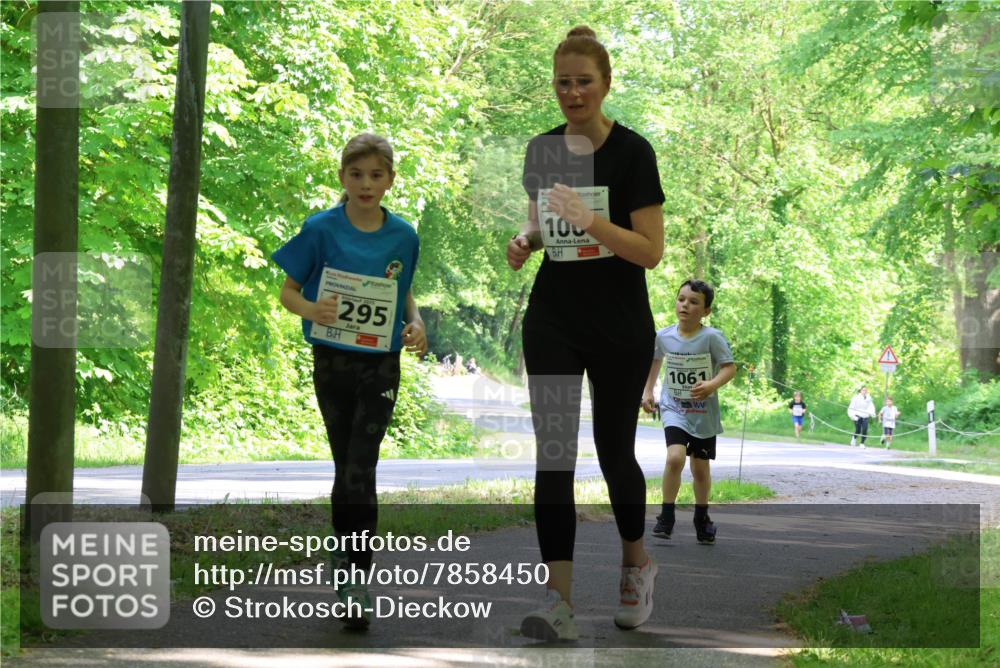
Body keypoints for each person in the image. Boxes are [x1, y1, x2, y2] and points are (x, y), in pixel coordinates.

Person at [506, 25, 665, 640]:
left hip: (620, 325)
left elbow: (649, 252)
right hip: (554, 317)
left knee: (612, 453)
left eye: (583, 82)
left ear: (605, 85)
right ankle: (559, 603)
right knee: (553, 455)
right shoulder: (543, 150)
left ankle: (636, 563)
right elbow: (544, 226)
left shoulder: (633, 153)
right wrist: (526, 241)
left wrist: (591, 219)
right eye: (563, 83)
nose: (572, 93)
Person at [271, 133, 427, 629]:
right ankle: (343, 561)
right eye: (356, 174)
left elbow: (403, 294)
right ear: (342, 177)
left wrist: (417, 323)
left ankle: (357, 578)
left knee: (362, 466)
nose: (366, 183)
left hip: (380, 365)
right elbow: (288, 290)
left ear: (390, 181)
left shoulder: (404, 236)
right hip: (332, 362)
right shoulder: (320, 229)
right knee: (346, 469)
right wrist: (312, 308)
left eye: (376, 175)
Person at [641, 280, 736, 545]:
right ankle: (666, 515)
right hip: (674, 407)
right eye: (681, 299)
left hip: (703, 412)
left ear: (705, 311)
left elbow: (729, 367)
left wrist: (711, 385)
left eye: (694, 302)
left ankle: (701, 518)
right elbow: (655, 359)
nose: (685, 305)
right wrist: (648, 391)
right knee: (674, 458)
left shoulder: (712, 338)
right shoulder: (664, 336)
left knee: (700, 469)